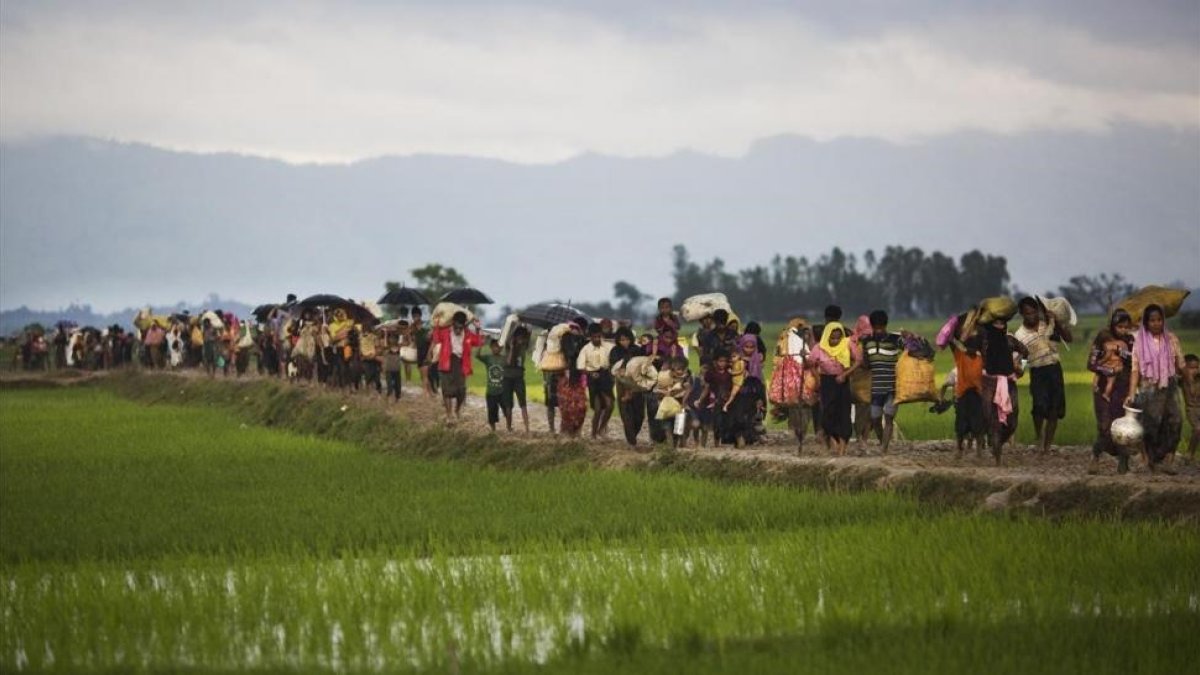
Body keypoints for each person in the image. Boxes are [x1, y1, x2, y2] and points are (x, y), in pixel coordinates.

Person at [1125, 304, 1186, 474]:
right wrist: (1131, 393)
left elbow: (1180, 365)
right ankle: (1147, 459)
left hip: (1170, 386)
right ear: (1146, 323)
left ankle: (1169, 460)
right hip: (1148, 387)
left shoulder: (1172, 339)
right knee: (1151, 425)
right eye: (1152, 320)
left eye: (1159, 320)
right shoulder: (1139, 342)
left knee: (1175, 421)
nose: (1156, 323)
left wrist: (1182, 371)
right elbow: (1135, 370)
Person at [1014, 297, 1072, 453]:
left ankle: (1047, 445)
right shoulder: (1020, 335)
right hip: (1038, 371)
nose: (1032, 316)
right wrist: (1021, 368)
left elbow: (1068, 338)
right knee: (1039, 407)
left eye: (1034, 312)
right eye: (1028, 313)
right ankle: (1039, 436)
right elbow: (1023, 357)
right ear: (1022, 314)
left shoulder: (1047, 323)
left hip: (1054, 369)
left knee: (1054, 410)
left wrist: (1055, 321)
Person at [1087, 310, 1135, 473]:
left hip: (1123, 388)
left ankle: (1123, 464)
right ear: (1113, 325)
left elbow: (1135, 364)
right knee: (1105, 427)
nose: (1123, 330)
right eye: (1119, 326)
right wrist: (1108, 371)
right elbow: (1091, 363)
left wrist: (1122, 353)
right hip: (1103, 388)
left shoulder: (1131, 340)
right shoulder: (1102, 337)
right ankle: (1095, 456)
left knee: (1123, 427)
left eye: (1126, 327)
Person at [806, 320, 862, 456]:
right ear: (827, 336)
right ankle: (832, 440)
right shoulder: (819, 348)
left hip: (842, 381)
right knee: (828, 414)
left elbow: (858, 360)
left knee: (844, 413)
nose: (836, 340)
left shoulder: (848, 344)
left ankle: (842, 447)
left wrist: (846, 374)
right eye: (833, 337)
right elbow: (811, 363)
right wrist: (817, 378)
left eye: (838, 337)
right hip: (827, 382)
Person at [981, 318, 1029, 465]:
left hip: (1009, 383)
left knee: (1012, 421)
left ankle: (998, 444)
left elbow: (1025, 352)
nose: (999, 326)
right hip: (989, 383)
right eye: (996, 323)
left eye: (1002, 323)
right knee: (992, 421)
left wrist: (1020, 365)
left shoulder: (1009, 340)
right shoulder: (984, 341)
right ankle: (997, 459)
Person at [859, 310, 905, 453]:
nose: (879, 330)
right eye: (876, 328)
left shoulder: (895, 339)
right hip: (876, 387)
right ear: (872, 326)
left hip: (893, 386)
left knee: (889, 418)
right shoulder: (867, 341)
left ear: (886, 325)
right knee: (875, 419)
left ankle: (884, 448)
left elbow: (911, 349)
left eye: (881, 327)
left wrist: (910, 337)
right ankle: (882, 443)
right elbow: (866, 364)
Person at [431, 311, 484, 424]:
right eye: (456, 328)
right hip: (446, 363)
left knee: (461, 390)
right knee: (447, 391)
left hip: (461, 364)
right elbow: (436, 339)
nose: (458, 330)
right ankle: (449, 415)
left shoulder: (468, 334)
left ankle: (457, 410)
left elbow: (479, 342)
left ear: (464, 325)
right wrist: (436, 325)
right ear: (453, 324)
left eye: (460, 328)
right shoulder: (445, 332)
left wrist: (478, 329)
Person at [948, 332, 986, 458]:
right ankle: (959, 449)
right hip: (964, 395)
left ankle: (978, 450)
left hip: (976, 394)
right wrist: (953, 334)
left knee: (978, 424)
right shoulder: (961, 355)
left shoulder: (981, 358)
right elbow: (951, 342)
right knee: (961, 424)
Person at [724, 334, 765, 447]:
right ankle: (738, 436)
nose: (749, 349)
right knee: (738, 415)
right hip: (739, 392)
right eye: (746, 346)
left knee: (750, 415)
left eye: (752, 347)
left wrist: (760, 396)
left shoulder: (756, 360)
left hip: (752, 391)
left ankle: (748, 438)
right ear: (742, 346)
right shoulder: (736, 359)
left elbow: (759, 379)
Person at [578, 323, 615, 438]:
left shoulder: (609, 346)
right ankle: (593, 434)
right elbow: (580, 366)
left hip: (606, 377)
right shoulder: (585, 349)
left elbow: (614, 358)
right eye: (594, 337)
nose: (597, 339)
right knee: (598, 410)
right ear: (590, 336)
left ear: (601, 335)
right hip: (593, 378)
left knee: (610, 405)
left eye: (599, 336)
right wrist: (590, 373)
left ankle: (601, 427)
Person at [611, 327, 646, 446]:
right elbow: (614, 367)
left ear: (631, 339)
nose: (624, 342)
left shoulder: (637, 349)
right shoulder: (615, 351)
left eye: (626, 339)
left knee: (639, 413)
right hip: (622, 383)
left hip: (637, 383)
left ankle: (633, 435)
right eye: (622, 340)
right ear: (618, 340)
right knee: (626, 412)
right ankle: (631, 440)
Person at [557, 319, 590, 437]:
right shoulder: (565, 338)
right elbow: (570, 353)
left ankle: (577, 431)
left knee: (581, 406)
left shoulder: (584, 341)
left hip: (579, 377)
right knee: (567, 406)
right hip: (566, 377)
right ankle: (566, 432)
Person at [696, 350, 735, 447]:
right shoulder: (710, 374)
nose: (722, 364)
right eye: (720, 361)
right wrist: (700, 400)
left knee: (726, 421)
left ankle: (725, 441)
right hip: (715, 401)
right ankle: (716, 444)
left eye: (724, 361)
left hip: (727, 400)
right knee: (716, 422)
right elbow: (707, 387)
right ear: (715, 362)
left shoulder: (730, 372)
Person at [655, 355, 693, 448]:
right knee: (667, 426)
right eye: (676, 369)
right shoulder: (663, 376)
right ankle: (671, 447)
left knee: (680, 427)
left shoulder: (687, 377)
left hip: (679, 402)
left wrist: (683, 402)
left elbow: (688, 390)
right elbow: (657, 390)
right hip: (666, 403)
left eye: (681, 369)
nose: (678, 372)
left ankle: (681, 445)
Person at [477, 338, 511, 432]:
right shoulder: (488, 358)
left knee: (507, 410)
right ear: (491, 347)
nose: (496, 348)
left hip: (502, 390)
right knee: (491, 412)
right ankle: (493, 430)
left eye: (498, 346)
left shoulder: (503, 359)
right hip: (491, 391)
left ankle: (508, 427)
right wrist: (481, 344)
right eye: (494, 346)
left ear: (501, 348)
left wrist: (510, 347)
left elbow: (509, 361)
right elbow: (477, 355)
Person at [503, 325, 531, 433]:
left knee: (523, 403)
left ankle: (527, 428)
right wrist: (512, 348)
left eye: (522, 338)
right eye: (519, 338)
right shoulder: (508, 345)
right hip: (507, 378)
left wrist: (524, 324)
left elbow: (529, 331)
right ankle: (509, 427)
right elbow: (509, 362)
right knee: (508, 405)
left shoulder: (524, 346)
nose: (521, 340)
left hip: (519, 378)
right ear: (515, 337)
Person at [1092, 329, 1127, 402]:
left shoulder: (1104, 346)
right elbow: (1109, 355)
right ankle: (1106, 394)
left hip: (1105, 366)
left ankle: (1095, 385)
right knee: (1110, 381)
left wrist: (1100, 362)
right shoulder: (1111, 346)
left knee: (1098, 374)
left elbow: (1105, 356)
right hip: (1111, 367)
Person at [1182, 354, 1199, 464]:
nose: (1194, 371)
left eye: (1197, 367)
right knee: (1198, 429)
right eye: (1191, 368)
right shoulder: (1182, 379)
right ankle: (1189, 453)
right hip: (1191, 409)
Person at [381, 328, 403, 401]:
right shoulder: (387, 347)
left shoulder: (399, 347)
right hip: (389, 369)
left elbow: (407, 342)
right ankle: (389, 397)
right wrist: (386, 334)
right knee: (389, 385)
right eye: (391, 338)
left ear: (397, 339)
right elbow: (385, 344)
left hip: (397, 369)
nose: (392, 339)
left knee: (398, 385)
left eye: (394, 338)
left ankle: (397, 398)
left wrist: (405, 333)